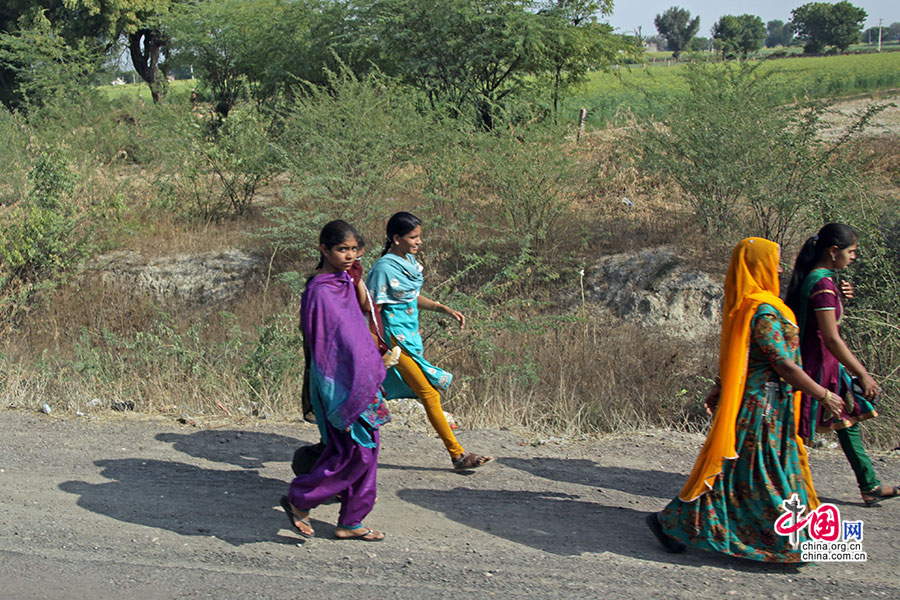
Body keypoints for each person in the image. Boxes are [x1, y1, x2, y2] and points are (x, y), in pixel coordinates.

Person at [646, 237, 843, 562]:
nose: (779, 268)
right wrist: (822, 394)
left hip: (771, 408)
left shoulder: (759, 304)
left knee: (739, 473)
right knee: (763, 476)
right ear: (758, 266)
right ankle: (786, 542)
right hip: (760, 411)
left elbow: (739, 356)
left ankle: (672, 524)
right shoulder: (762, 310)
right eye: (774, 262)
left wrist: (720, 386)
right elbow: (783, 364)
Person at [280, 220, 390, 541]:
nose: (350, 255)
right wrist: (344, 391)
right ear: (324, 249)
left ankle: (351, 521)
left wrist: (356, 282)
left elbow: (363, 318)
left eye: (355, 249)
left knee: (369, 452)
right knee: (355, 452)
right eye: (342, 249)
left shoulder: (344, 281)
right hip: (341, 386)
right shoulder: (320, 291)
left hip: (364, 380)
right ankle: (300, 499)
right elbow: (328, 347)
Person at [366, 212, 492, 471]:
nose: (419, 242)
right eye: (414, 237)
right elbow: (371, 308)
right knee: (428, 393)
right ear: (396, 238)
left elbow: (411, 298)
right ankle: (457, 455)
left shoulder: (409, 262)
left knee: (376, 392)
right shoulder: (383, 269)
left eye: (419, 236)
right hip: (393, 340)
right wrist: (375, 347)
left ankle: (343, 440)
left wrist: (442, 308)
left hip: (410, 337)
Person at [785, 223, 897, 507]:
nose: (854, 257)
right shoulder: (822, 285)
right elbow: (832, 339)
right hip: (817, 368)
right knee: (796, 431)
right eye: (852, 251)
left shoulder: (823, 282)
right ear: (834, 252)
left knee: (846, 422)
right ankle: (777, 487)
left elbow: (829, 324)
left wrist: (841, 299)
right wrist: (863, 373)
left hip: (825, 365)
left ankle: (869, 484)